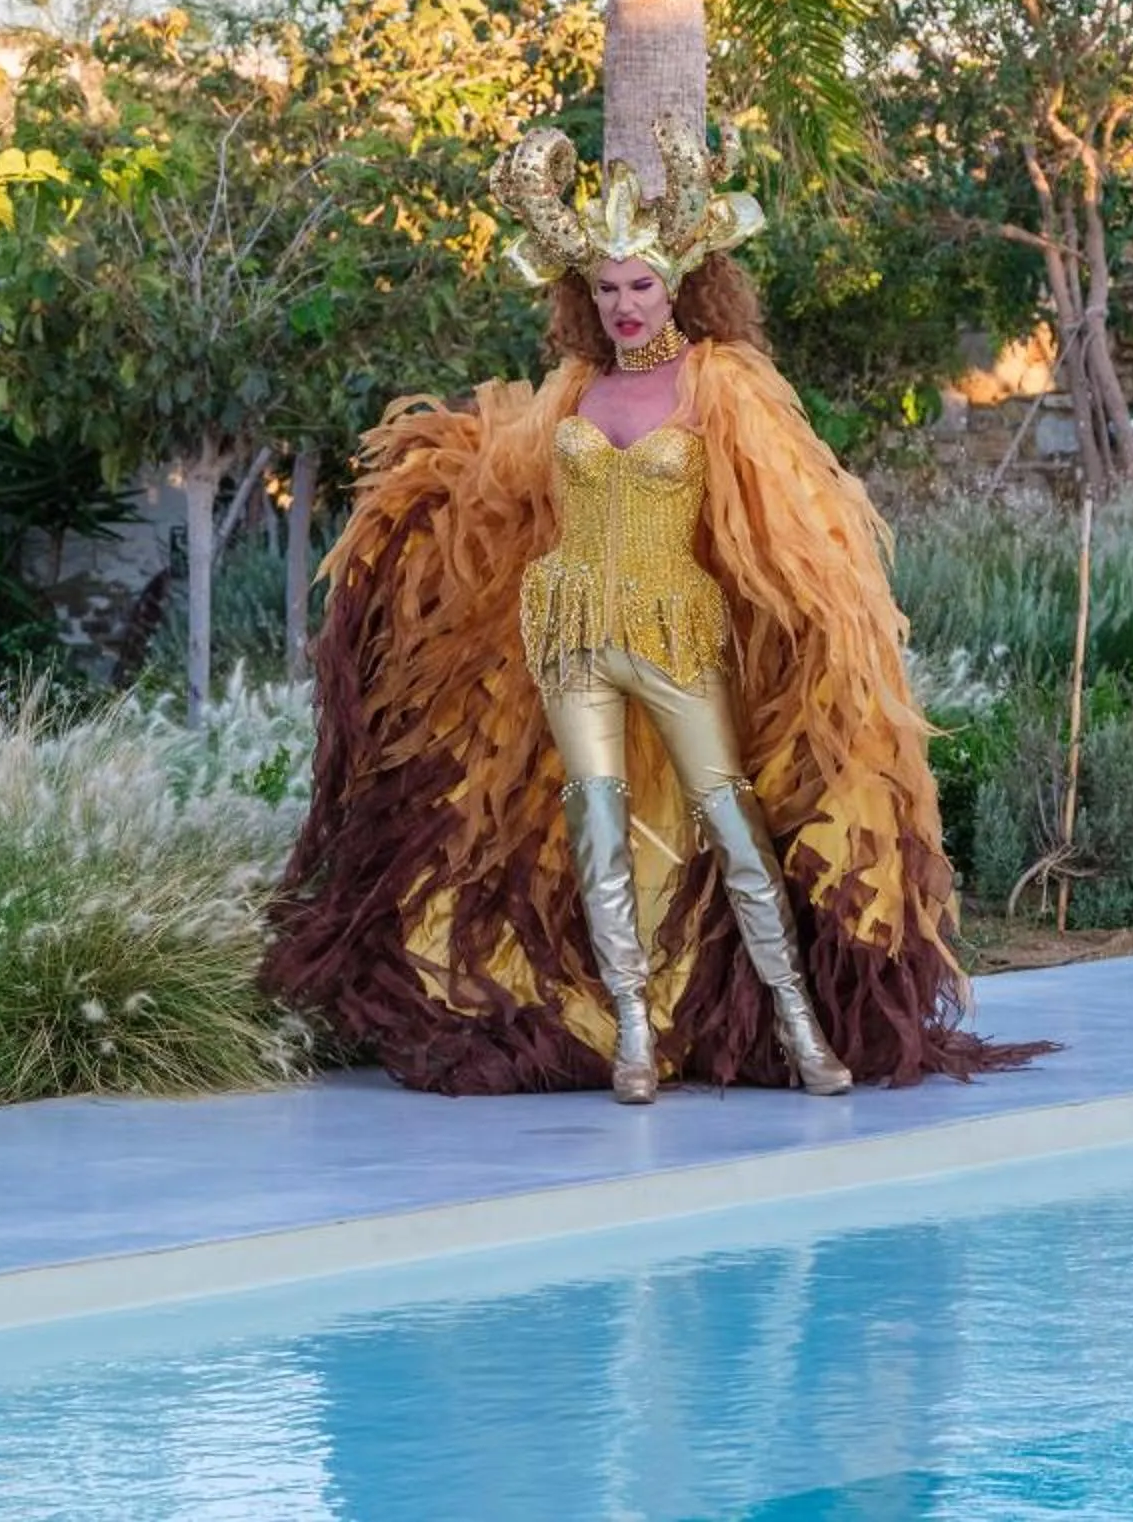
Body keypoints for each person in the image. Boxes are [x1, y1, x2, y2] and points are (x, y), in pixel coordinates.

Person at [267, 115, 1035, 1101]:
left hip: (674, 629)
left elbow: (786, 522)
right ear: (584, 299)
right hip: (572, 633)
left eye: (641, 285)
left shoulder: (720, 385)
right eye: (607, 288)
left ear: (679, 286)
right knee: (596, 826)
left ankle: (802, 1030)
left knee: (731, 823)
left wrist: (819, 636)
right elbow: (505, 498)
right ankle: (633, 1030)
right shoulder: (574, 392)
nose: (625, 305)